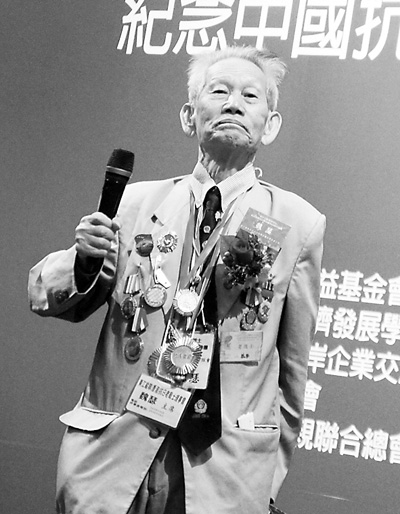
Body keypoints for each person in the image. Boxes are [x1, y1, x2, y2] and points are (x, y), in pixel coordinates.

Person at [28, 45, 326, 514]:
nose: (233, 104)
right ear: (189, 117)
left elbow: (293, 376)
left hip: (223, 476)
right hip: (111, 462)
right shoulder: (135, 204)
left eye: (250, 96)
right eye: (219, 91)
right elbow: (46, 295)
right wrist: (84, 262)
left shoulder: (298, 223)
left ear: (270, 125)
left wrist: (265, 483)